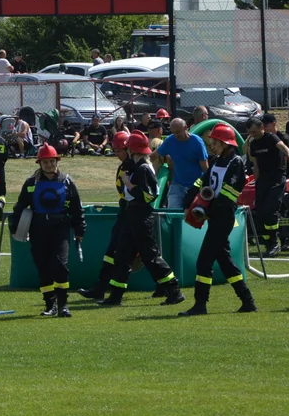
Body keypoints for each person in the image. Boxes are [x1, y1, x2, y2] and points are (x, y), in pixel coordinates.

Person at [178, 124, 258, 316]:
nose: (212, 146)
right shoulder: (215, 160)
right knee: (225, 261)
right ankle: (247, 301)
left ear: (226, 143)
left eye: (215, 142)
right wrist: (189, 199)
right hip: (214, 215)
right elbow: (203, 182)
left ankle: (200, 305)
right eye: (211, 142)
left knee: (204, 261)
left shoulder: (236, 163)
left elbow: (228, 194)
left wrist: (207, 210)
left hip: (223, 216)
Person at [99, 131, 184, 307]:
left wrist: (128, 184)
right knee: (122, 256)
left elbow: (149, 195)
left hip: (140, 217)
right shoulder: (138, 166)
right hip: (132, 216)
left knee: (150, 256)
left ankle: (174, 290)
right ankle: (115, 296)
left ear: (132, 150)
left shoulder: (143, 168)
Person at [10, 144, 86, 317]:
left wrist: (80, 228)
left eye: (52, 161)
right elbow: (20, 206)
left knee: (60, 265)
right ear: (40, 163)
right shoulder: (31, 183)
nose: (49, 165)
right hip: (38, 229)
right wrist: (15, 227)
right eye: (45, 162)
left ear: (57, 161)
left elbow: (76, 207)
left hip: (60, 228)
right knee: (43, 266)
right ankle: (49, 305)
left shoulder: (67, 181)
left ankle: (63, 305)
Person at [77, 130, 131, 302]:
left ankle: (170, 288)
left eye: (119, 151)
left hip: (135, 215)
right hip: (125, 213)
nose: (117, 155)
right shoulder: (124, 166)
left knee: (148, 255)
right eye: (115, 151)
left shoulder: (136, 167)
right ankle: (100, 288)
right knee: (112, 252)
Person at [246, 114, 289, 257]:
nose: (253, 135)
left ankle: (274, 243)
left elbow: (284, 148)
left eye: (255, 132)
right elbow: (255, 165)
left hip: (276, 178)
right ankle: (270, 241)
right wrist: (257, 183)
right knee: (261, 211)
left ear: (262, 128)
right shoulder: (254, 144)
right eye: (250, 133)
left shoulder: (271, 138)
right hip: (262, 179)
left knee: (270, 210)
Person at [157, 118, 209, 209]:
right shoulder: (170, 141)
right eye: (173, 132)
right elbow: (153, 156)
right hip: (177, 184)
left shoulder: (197, 142)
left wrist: (207, 186)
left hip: (196, 186)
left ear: (186, 128)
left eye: (178, 132)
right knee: (173, 212)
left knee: (194, 216)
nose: (176, 135)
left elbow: (205, 167)